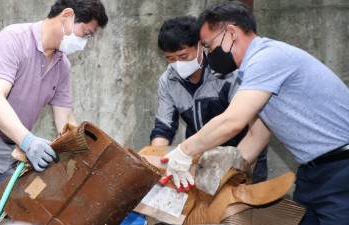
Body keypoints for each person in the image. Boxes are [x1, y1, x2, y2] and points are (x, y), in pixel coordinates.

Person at [161, 1, 349, 224]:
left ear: (231, 33)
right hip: (314, 172)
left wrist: (183, 152)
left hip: (341, 167)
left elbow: (232, 121)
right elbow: (257, 136)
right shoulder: (250, 71)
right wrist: (220, 177)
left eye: (208, 46)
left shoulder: (268, 58)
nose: (209, 54)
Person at [0, 0, 108, 224]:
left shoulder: (63, 66)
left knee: (30, 216)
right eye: (85, 33)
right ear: (67, 15)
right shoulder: (14, 39)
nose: (84, 43)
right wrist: (29, 142)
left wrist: (89, 158)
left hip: (15, 151)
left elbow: (67, 122)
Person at [150, 15, 268, 192]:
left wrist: (236, 166)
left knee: (238, 212)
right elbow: (164, 127)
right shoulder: (168, 81)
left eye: (183, 56)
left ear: (200, 45)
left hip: (242, 153)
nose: (177, 64)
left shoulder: (226, 72)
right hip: (198, 159)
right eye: (170, 58)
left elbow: (245, 126)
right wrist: (158, 161)